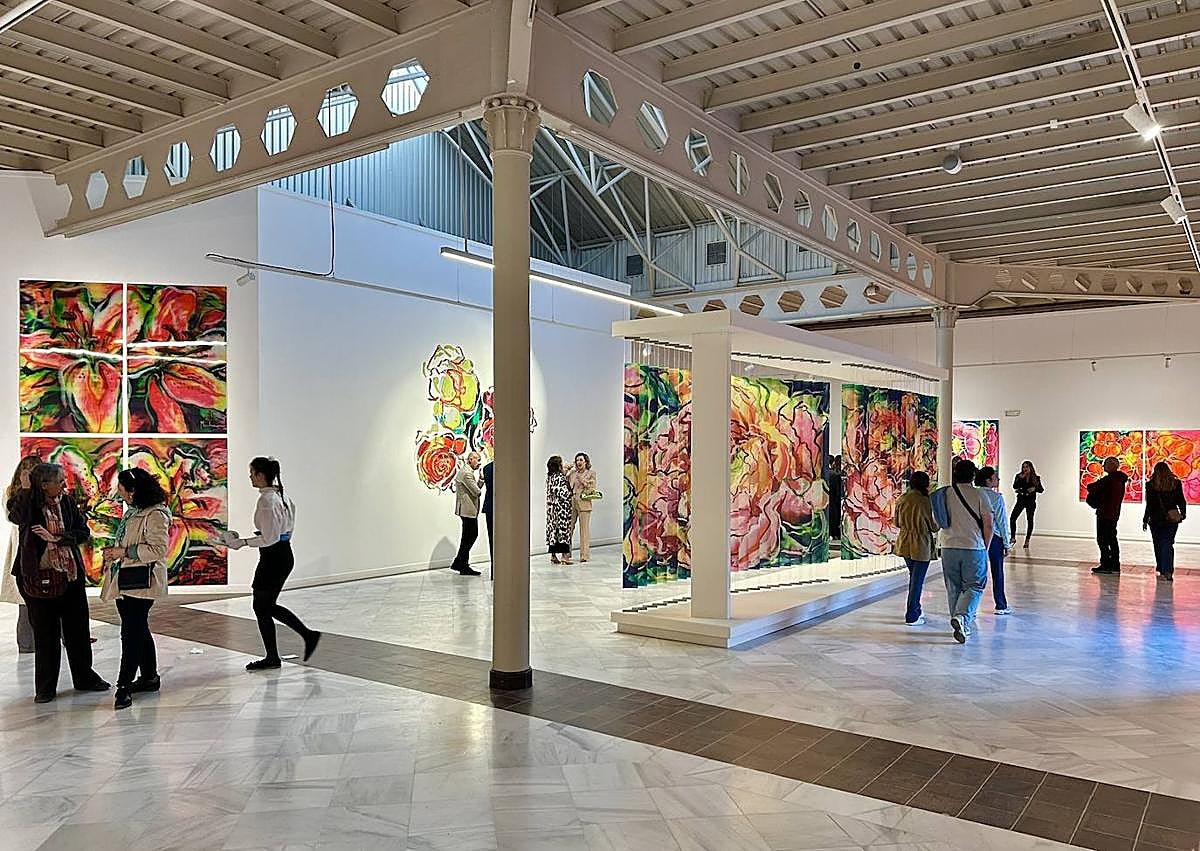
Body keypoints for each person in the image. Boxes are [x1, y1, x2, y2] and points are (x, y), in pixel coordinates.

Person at [7, 463, 109, 703]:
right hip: (36, 578)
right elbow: (16, 517)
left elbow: (82, 532)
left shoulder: (67, 502)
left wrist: (57, 538)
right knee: (45, 634)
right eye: (60, 481)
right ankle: (45, 688)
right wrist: (25, 489)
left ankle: (84, 678)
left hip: (69, 575)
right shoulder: (28, 503)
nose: (64, 484)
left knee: (78, 631)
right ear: (44, 485)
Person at [226, 457, 321, 670]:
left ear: (261, 475)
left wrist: (242, 543)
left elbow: (270, 538)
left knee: (262, 606)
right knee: (265, 606)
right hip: (282, 555)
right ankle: (302, 639)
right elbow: (283, 532)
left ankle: (278, 654)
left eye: (252, 473)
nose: (250, 477)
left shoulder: (267, 501)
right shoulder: (282, 495)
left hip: (273, 558)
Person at [101, 468, 170, 710]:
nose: (118, 492)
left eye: (120, 488)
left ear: (132, 490)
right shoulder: (134, 511)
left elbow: (158, 549)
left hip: (142, 581)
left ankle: (124, 685)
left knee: (131, 633)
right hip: (127, 579)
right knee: (138, 629)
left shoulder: (156, 514)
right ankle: (149, 677)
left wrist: (122, 552)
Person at [931, 458, 993, 644]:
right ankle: (962, 618)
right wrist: (986, 547)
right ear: (973, 475)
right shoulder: (979, 494)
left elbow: (937, 521)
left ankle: (961, 624)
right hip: (973, 546)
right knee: (975, 585)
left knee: (953, 587)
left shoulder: (945, 493)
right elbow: (988, 524)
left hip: (948, 546)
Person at [3, 456, 40, 654]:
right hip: (24, 546)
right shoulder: (13, 494)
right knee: (26, 600)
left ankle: (34, 643)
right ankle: (26, 644)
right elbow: (16, 518)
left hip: (30, 545)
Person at [894, 471, 937, 626]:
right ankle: (912, 614)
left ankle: (916, 609)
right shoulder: (925, 501)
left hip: (905, 541)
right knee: (917, 581)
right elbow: (933, 526)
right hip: (921, 544)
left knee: (914, 577)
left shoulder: (902, 498)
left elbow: (896, 522)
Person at [975, 466, 1012, 615]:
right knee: (997, 572)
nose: (998, 479)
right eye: (995, 477)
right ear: (988, 480)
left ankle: (971, 606)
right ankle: (1000, 605)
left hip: (976, 536)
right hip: (995, 538)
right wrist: (1007, 543)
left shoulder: (974, 494)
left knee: (976, 572)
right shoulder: (996, 498)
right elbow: (1002, 521)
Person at [1143, 461, 1186, 582]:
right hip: (1171, 518)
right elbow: (1181, 500)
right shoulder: (1175, 484)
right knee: (1167, 543)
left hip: (1155, 519)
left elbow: (1150, 505)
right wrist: (1182, 514)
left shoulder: (1151, 485)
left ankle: (1162, 567)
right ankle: (1168, 570)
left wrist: (1145, 519)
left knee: (1158, 544)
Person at [1087, 457, 1128, 575]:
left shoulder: (1109, 480)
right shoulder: (1120, 480)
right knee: (1112, 539)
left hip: (1105, 513)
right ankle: (1114, 565)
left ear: (1111, 466)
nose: (1103, 466)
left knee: (1103, 539)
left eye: (1105, 464)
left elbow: (1091, 487)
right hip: (1114, 513)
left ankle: (1106, 564)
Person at [449, 452, 483, 576]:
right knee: (470, 536)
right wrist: (482, 480)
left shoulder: (466, 472)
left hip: (466, 510)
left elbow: (474, 490)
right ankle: (461, 563)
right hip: (467, 511)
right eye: (478, 460)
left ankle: (460, 563)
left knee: (468, 537)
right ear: (471, 459)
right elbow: (477, 492)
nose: (479, 463)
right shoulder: (467, 474)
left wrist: (480, 480)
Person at [568, 453, 597, 562]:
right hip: (572, 502)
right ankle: (566, 554)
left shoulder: (591, 473)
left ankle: (584, 556)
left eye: (581, 460)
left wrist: (581, 479)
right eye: (577, 460)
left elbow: (591, 488)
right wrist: (567, 471)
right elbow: (567, 484)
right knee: (568, 529)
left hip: (584, 503)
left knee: (584, 531)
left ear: (586, 462)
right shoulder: (573, 473)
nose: (578, 462)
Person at [546, 456, 574, 565]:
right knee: (563, 532)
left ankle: (553, 556)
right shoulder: (560, 477)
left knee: (553, 532)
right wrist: (570, 493)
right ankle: (564, 557)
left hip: (551, 510)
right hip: (561, 509)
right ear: (558, 465)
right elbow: (563, 493)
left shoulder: (549, 477)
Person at [1009, 460, 1043, 548]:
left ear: (1030, 468)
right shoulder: (1019, 476)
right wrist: (1021, 478)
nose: (1025, 469)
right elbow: (1015, 486)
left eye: (1027, 467)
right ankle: (1012, 537)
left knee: (1029, 520)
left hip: (1030, 501)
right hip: (1021, 499)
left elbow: (1041, 489)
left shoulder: (1036, 478)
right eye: (1023, 467)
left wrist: (1034, 489)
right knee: (1013, 518)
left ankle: (1027, 539)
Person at [481, 459, 494, 572]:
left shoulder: (486, 468)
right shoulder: (507, 468)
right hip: (501, 507)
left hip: (489, 506)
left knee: (492, 539)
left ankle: (494, 568)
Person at [828, 455, 844, 541]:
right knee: (833, 520)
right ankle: (834, 535)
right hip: (833, 504)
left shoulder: (820, 474)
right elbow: (838, 493)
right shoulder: (835, 475)